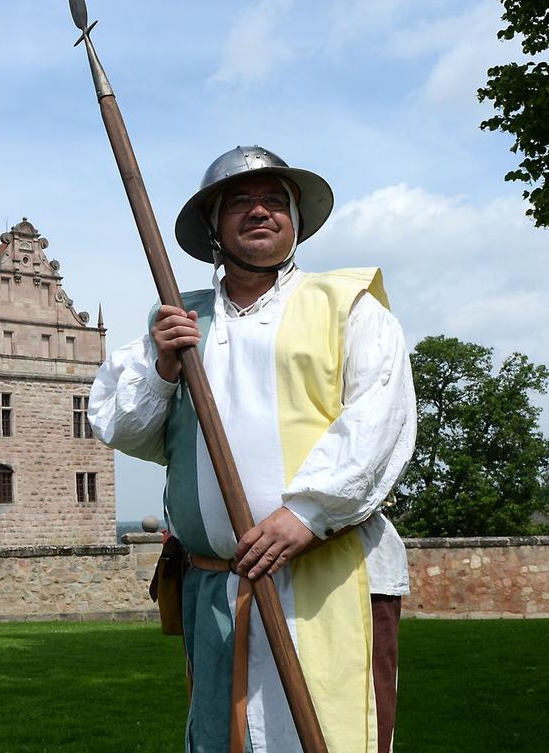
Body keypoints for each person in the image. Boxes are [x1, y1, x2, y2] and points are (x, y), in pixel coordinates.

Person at [89, 147, 414, 753]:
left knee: (333, 734)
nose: (259, 211)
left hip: (328, 574)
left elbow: (380, 418)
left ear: (295, 219)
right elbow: (122, 427)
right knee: (230, 738)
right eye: (240, 202)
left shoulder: (346, 305)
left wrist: (306, 514)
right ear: (214, 227)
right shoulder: (179, 321)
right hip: (219, 586)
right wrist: (164, 367)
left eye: (274, 201)